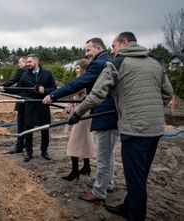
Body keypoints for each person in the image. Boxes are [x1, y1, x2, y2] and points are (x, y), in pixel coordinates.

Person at [69, 32, 173, 220]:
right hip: (156, 128)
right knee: (140, 174)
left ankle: (135, 215)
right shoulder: (155, 63)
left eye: (114, 46)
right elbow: (167, 93)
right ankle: (127, 205)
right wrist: (153, 111)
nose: (112, 50)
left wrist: (77, 113)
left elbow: (96, 95)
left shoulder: (117, 63)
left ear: (124, 43)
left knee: (135, 179)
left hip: (135, 130)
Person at [43, 38, 118, 202]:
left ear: (98, 48)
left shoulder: (99, 64)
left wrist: (53, 95)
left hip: (104, 113)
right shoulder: (108, 60)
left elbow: (77, 85)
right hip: (110, 113)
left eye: (88, 50)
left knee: (104, 155)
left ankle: (99, 192)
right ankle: (108, 183)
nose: (86, 54)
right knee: (108, 154)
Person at [16, 54, 57, 162]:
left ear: (36, 61)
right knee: (28, 130)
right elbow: (17, 89)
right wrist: (3, 89)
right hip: (30, 106)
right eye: (27, 62)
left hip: (43, 106)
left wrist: (45, 91)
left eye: (29, 62)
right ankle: (29, 152)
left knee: (44, 130)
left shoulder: (47, 74)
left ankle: (44, 151)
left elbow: (54, 88)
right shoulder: (25, 76)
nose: (27, 64)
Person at [62, 58, 96, 181]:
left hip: (82, 114)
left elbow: (69, 93)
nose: (75, 70)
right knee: (84, 141)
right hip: (83, 113)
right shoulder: (86, 81)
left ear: (83, 69)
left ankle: (75, 171)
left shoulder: (83, 82)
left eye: (77, 68)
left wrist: (54, 95)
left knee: (74, 142)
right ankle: (86, 167)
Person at [0, 57, 28, 154]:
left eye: (19, 62)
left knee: (21, 124)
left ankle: (19, 146)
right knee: (28, 125)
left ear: (24, 62)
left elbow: (13, 82)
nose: (18, 65)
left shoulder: (22, 71)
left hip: (22, 101)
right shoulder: (33, 72)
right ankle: (25, 144)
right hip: (31, 102)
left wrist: (2, 87)